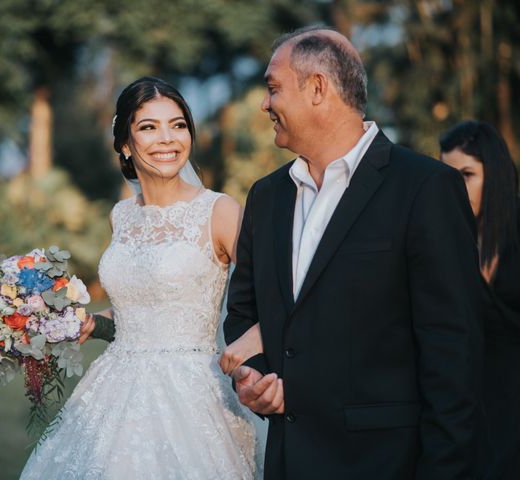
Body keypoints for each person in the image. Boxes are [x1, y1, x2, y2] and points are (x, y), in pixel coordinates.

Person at [222, 26, 484, 479]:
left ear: (318, 88)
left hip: (386, 464)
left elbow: (453, 355)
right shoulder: (266, 197)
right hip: (289, 464)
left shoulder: (424, 188)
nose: (265, 104)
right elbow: (243, 313)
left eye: (273, 88)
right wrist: (259, 380)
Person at [20, 76, 264, 479]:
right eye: (149, 127)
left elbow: (270, 293)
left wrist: (258, 340)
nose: (167, 139)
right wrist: (90, 324)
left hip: (192, 396)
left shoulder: (219, 211)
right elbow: (136, 313)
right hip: (114, 390)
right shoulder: (122, 215)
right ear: (125, 144)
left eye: (178, 124)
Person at [440, 120, 520, 479]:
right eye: (447, 176)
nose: (454, 187)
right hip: (467, 411)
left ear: (496, 175)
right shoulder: (442, 245)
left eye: (467, 174)